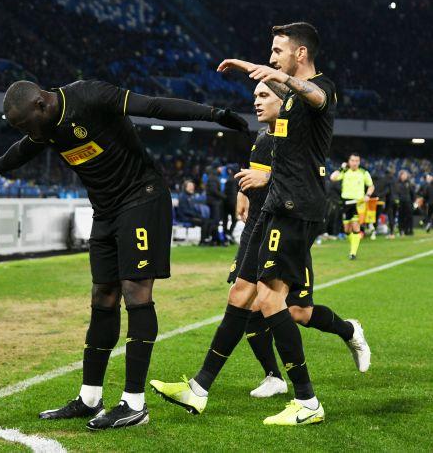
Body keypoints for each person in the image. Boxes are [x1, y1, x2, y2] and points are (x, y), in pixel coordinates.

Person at [0, 79, 247, 430]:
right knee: (103, 294)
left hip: (142, 196)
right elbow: (24, 149)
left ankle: (134, 404)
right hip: (106, 211)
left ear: (40, 105)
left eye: (22, 124)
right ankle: (90, 397)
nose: (24, 132)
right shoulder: (44, 127)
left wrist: (214, 113)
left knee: (135, 290)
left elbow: (152, 105)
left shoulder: (88, 96)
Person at [151, 22, 368, 426]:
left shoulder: (322, 87)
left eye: (277, 51)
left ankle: (307, 401)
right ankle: (198, 389)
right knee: (240, 294)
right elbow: (281, 104)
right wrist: (249, 68)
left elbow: (317, 96)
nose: (272, 57)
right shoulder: (288, 99)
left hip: (295, 207)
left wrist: (279, 75)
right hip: (273, 205)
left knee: (273, 302)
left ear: (299, 54)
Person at [233, 82, 369, 399]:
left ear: (284, 104)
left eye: (264, 95)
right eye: (254, 95)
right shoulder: (262, 137)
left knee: (297, 312)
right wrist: (242, 191)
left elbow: (298, 178)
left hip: (288, 233)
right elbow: (257, 173)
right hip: (258, 232)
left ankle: (350, 330)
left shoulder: (293, 138)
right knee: (247, 303)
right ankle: (274, 377)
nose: (255, 101)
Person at [330, 154, 374, 259]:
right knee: (347, 229)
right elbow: (332, 177)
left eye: (357, 161)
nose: (354, 163)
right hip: (345, 202)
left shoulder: (364, 172)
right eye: (353, 160)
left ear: (359, 162)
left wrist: (367, 195)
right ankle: (353, 245)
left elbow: (371, 186)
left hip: (358, 203)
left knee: (355, 225)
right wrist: (341, 168)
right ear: (349, 161)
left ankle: (353, 253)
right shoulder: (344, 171)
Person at [177, 180, 212, 244]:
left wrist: (197, 214)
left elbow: (192, 209)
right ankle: (202, 241)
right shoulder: (182, 196)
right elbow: (185, 210)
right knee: (204, 222)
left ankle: (207, 239)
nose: (192, 187)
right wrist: (196, 215)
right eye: (190, 186)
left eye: (192, 186)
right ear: (185, 187)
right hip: (185, 217)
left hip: (191, 216)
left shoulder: (191, 196)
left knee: (208, 221)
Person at [394, 169, 415, 235]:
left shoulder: (409, 183)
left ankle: (409, 230)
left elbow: (412, 193)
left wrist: (413, 201)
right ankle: (401, 230)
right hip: (400, 203)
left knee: (409, 217)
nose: (404, 176)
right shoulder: (397, 183)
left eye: (405, 175)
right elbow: (396, 193)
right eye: (403, 175)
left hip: (408, 202)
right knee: (401, 217)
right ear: (400, 175)